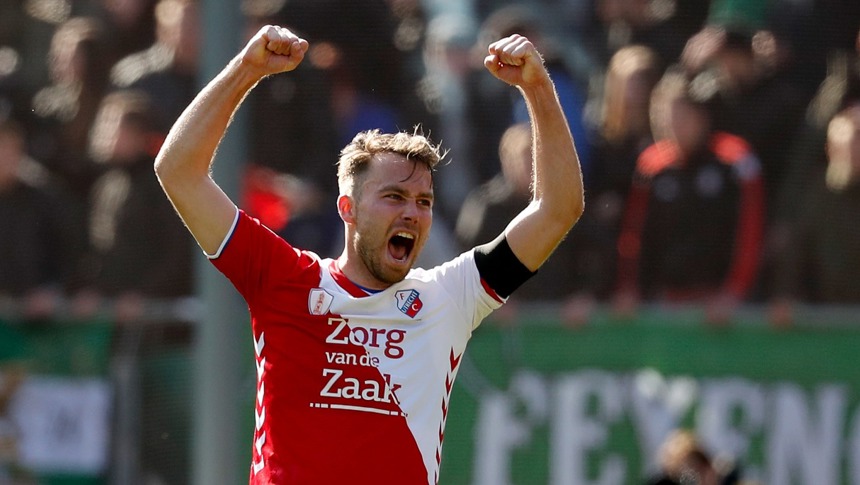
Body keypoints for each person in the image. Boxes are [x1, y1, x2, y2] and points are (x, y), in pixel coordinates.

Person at [154, 24, 583, 484]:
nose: (412, 213)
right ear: (348, 209)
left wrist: (538, 90)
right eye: (394, 197)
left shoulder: (448, 296)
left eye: (423, 202)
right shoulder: (284, 277)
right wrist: (246, 70)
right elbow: (177, 171)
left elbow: (559, 209)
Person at [613, 69, 765, 325]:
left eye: (681, 117)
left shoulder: (736, 160)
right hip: (665, 301)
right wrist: (629, 289)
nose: (672, 126)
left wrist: (734, 292)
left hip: (721, 306)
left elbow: (750, 233)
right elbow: (634, 235)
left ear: (701, 117)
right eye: (663, 118)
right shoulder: (651, 165)